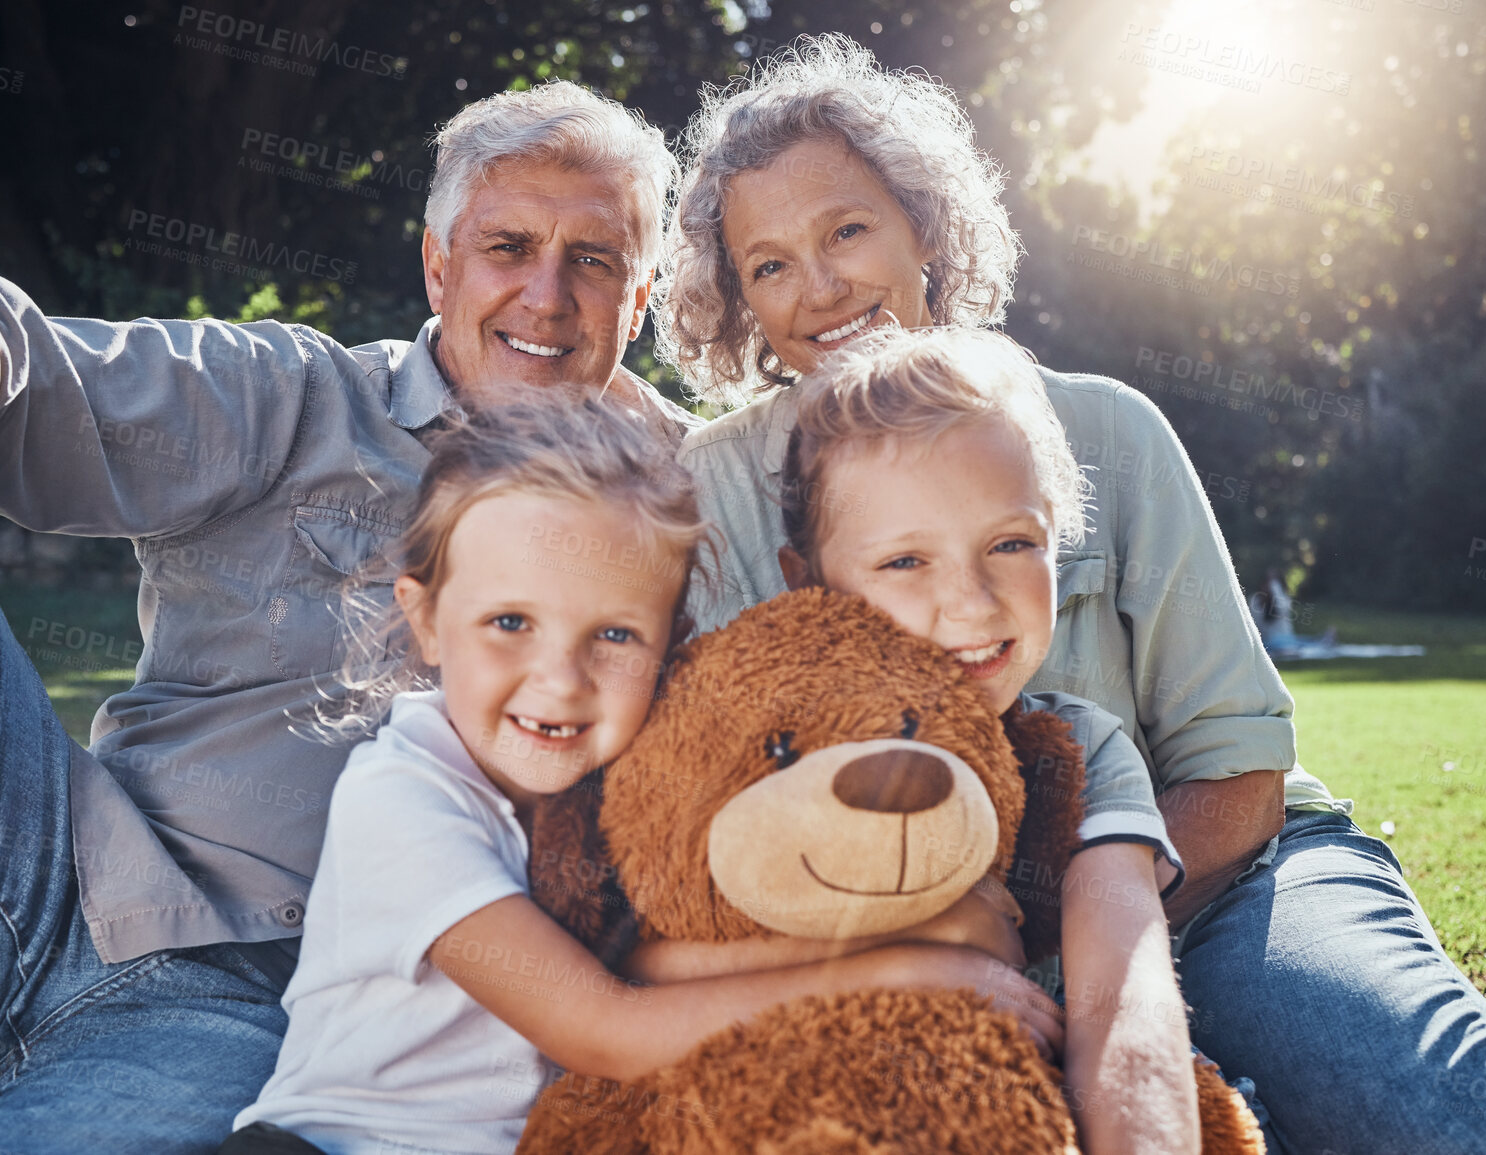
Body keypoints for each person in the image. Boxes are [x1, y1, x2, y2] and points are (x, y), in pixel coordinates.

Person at [0, 80, 695, 1153]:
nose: (545, 296)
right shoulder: (290, 399)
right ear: (439, 265)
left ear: (640, 299)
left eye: (593, 259)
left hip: (255, 1018)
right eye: (508, 246)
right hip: (22, 901)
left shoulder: (691, 502)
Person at [657, 33, 1486, 1154]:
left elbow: (1240, 775)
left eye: (848, 231)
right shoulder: (710, 489)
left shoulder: (1104, 426)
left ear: (925, 225)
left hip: (1231, 887)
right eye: (767, 265)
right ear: (737, 302)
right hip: (898, 946)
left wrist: (1062, 935)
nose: (818, 290)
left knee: (1426, 1106)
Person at [219, 400, 1047, 1155]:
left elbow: (655, 964)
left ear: (671, 642)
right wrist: (901, 969)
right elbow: (603, 1024)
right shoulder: (400, 799)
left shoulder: (622, 785)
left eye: (613, 635)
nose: (561, 678)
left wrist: (920, 925)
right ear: (427, 619)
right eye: (509, 622)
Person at [631, 326, 1201, 1152]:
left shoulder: (1076, 747)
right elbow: (651, 970)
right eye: (905, 562)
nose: (970, 603)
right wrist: (915, 957)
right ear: (809, 583)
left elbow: (1126, 998)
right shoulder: (766, 746)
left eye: (1012, 544)